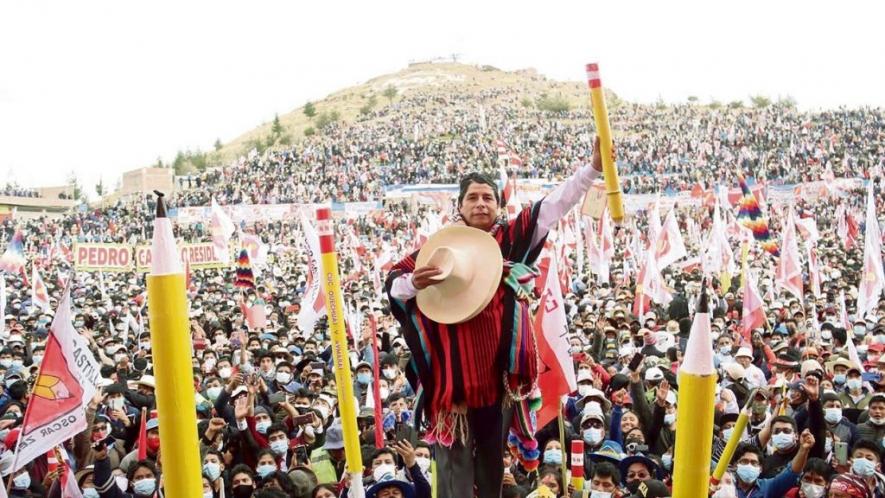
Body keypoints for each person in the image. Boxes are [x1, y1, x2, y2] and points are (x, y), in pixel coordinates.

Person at [387, 138, 604, 498]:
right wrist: (413, 282)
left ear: (499, 206)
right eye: (472, 197)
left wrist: (592, 169)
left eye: (488, 197)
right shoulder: (438, 247)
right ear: (459, 206)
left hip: (496, 385)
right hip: (450, 387)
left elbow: (553, 206)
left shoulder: (508, 240)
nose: (481, 203)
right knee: (454, 474)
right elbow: (394, 285)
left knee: (490, 472)